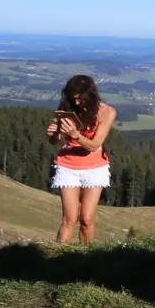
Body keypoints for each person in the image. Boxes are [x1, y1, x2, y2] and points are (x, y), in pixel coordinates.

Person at [48, 75, 116, 244]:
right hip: (68, 166)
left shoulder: (107, 112)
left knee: (87, 218)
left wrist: (75, 135)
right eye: (74, 99)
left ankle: (85, 259)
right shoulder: (68, 109)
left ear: (90, 95)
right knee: (69, 219)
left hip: (95, 168)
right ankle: (59, 260)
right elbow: (55, 141)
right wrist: (54, 134)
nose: (77, 103)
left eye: (80, 99)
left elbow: (94, 145)